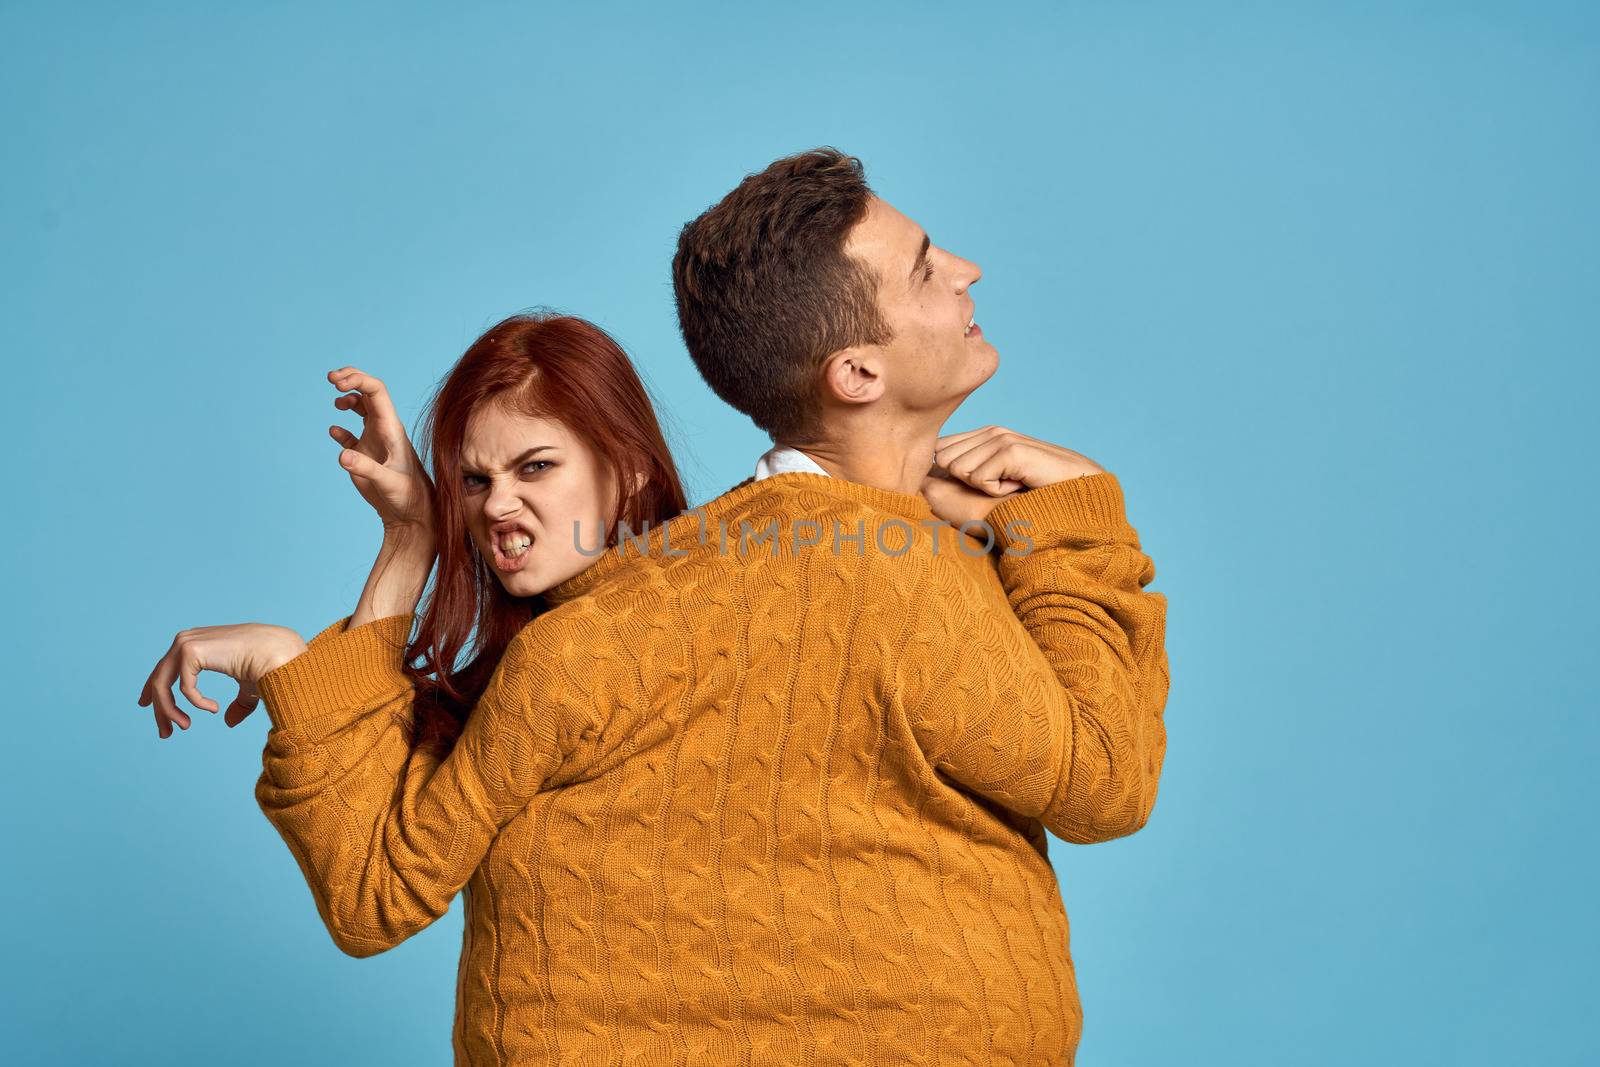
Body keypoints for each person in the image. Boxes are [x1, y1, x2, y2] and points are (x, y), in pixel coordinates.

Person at [141, 147, 1168, 1065]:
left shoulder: (619, 621)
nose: (966, 271)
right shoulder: (890, 571)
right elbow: (1105, 781)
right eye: (926, 264)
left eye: (535, 466)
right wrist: (1074, 517)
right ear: (855, 371)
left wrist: (982, 531)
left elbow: (377, 887)